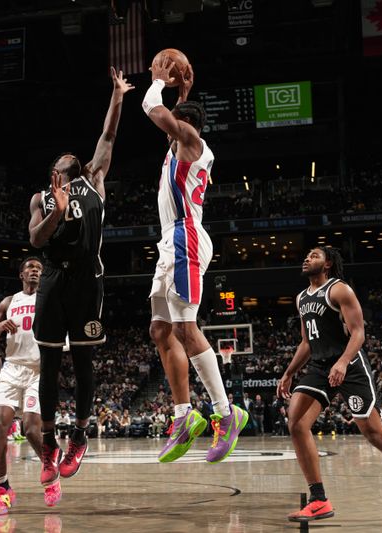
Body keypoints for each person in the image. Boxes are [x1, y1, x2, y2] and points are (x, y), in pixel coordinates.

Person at [28, 67, 133, 500]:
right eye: (57, 160)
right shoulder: (41, 197)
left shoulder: (95, 181)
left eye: (68, 160)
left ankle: (80, 435)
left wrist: (118, 96)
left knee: (84, 363)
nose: (63, 159)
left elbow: (107, 137)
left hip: (88, 280)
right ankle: (50, 445)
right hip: (53, 278)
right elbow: (35, 240)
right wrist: (58, 210)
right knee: (51, 365)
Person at [277, 246, 382, 523]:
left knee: (374, 434)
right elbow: (306, 342)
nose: (307, 258)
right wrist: (289, 372)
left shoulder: (340, 290)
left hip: (350, 366)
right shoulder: (302, 298)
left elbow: (359, 332)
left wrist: (342, 362)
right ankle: (319, 500)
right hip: (319, 365)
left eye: (314, 255)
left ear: (327, 264)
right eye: (307, 255)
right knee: (296, 422)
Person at [141, 56, 248, 464]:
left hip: (186, 236)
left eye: (177, 120)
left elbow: (155, 111)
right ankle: (185, 415)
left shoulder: (190, 141)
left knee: (186, 328)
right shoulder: (180, 149)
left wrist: (157, 83)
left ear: (184, 125)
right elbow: (175, 119)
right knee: (159, 329)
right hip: (170, 242)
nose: (168, 128)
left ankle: (225, 414)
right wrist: (184, 93)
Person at [0, 257, 50, 514]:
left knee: (32, 429)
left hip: (38, 370)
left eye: (39, 269)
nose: (35, 271)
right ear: (21, 274)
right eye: (30, 268)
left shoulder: (48, 299)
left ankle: (50, 471)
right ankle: (3, 489)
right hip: (11, 368)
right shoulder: (9, 302)